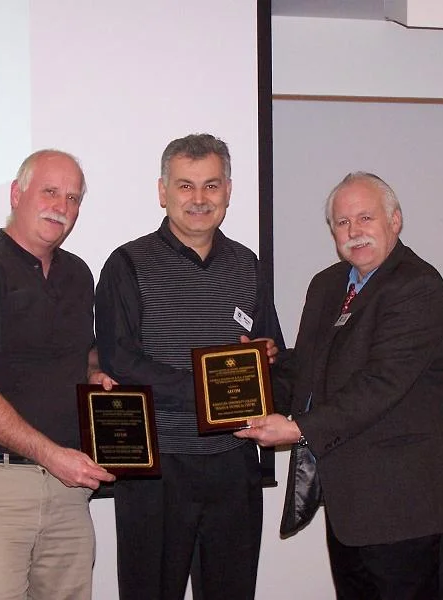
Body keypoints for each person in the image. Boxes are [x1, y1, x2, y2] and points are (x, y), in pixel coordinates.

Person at [236, 172, 443, 599]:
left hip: (409, 507)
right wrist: (257, 369)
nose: (354, 231)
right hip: (350, 505)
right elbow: (308, 370)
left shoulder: (417, 285)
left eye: (365, 218)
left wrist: (297, 428)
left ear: (395, 220)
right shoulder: (327, 285)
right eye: (342, 222)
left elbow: (381, 384)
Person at [95, 133, 285, 600]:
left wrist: (269, 355)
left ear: (228, 191)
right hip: (157, 469)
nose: (199, 199)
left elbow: (272, 347)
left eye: (211, 185)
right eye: (185, 186)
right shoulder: (127, 264)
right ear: (163, 192)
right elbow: (121, 361)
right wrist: (207, 393)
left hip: (234, 464)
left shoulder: (247, 265)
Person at [0, 149, 116, 600]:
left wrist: (97, 377)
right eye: (50, 191)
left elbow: (82, 355)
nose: (61, 206)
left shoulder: (78, 275)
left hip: (69, 490)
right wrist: (51, 455)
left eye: (73, 198)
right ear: (17, 194)